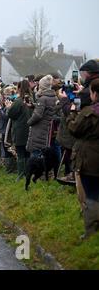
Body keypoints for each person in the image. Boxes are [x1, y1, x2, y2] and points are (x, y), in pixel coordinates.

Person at [67, 78, 99, 239]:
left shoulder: (89, 113)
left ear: (94, 94)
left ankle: (91, 231)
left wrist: (72, 112)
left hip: (91, 158)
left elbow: (74, 129)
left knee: (92, 194)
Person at [6, 80, 32, 181]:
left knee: (21, 154)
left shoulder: (19, 101)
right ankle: (28, 174)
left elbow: (11, 114)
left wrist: (9, 107)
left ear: (20, 88)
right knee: (28, 154)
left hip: (20, 130)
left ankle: (21, 175)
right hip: (30, 129)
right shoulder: (31, 99)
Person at [26, 75, 57, 157]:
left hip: (39, 128)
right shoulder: (53, 97)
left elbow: (37, 115)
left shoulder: (42, 99)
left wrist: (29, 122)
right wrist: (34, 105)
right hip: (47, 127)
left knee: (36, 152)